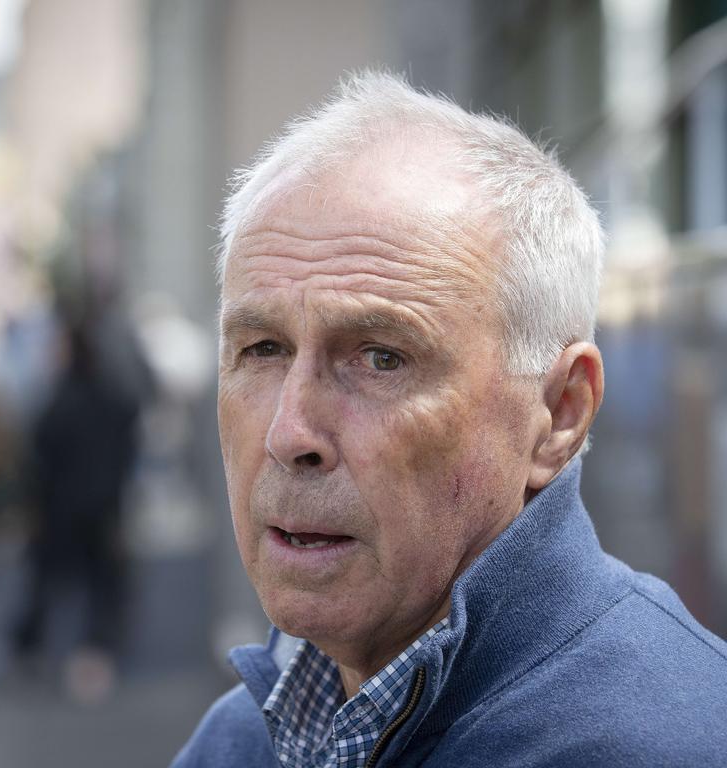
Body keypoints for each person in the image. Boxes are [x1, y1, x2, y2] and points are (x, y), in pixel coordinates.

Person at [173, 71, 727, 767]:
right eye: (261, 349)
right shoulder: (245, 738)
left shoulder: (661, 744)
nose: (289, 434)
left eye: (380, 358)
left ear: (559, 413)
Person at [11, 318, 146, 702]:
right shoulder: (113, 398)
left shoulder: (57, 401)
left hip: (59, 509)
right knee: (103, 584)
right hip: (104, 505)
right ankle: (95, 653)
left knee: (45, 581)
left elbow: (37, 456)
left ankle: (30, 647)